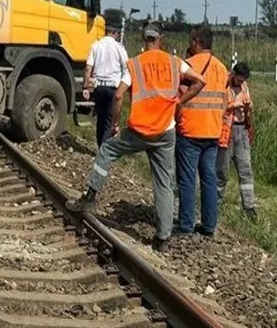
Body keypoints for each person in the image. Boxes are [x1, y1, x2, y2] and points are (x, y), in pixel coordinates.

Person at [66, 23, 206, 251]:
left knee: (107, 150)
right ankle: (162, 237)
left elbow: (119, 95)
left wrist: (114, 125)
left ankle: (90, 196)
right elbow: (201, 81)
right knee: (164, 183)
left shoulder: (134, 64)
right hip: (165, 132)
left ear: (144, 38)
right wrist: (180, 101)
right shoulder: (175, 62)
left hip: (139, 130)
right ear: (161, 38)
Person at [174, 25, 228, 238]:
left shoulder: (188, 65)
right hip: (213, 131)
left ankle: (186, 225)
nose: (189, 44)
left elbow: (180, 96)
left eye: (191, 41)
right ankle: (209, 225)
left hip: (190, 130)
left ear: (196, 42)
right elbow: (223, 101)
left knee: (187, 179)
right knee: (209, 178)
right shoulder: (222, 68)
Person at [217, 62, 258, 221]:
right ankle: (216, 205)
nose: (240, 83)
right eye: (238, 80)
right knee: (222, 172)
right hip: (226, 132)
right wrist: (233, 106)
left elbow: (248, 102)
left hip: (242, 131)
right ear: (233, 74)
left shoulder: (244, 86)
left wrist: (248, 106)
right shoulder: (223, 84)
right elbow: (219, 107)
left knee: (246, 170)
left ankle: (249, 207)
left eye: (243, 81)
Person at [82, 10, 129, 148]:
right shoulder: (119, 48)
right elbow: (127, 68)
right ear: (115, 33)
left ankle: (99, 146)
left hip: (98, 88)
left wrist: (86, 87)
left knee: (100, 120)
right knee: (109, 121)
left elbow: (88, 68)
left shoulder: (96, 45)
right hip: (112, 88)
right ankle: (103, 149)